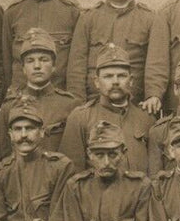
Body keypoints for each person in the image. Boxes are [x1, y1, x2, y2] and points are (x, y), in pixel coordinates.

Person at [67, 0, 154, 102]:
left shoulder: (149, 19)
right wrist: (79, 105)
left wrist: (152, 96)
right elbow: (76, 67)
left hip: (134, 105)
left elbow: (154, 65)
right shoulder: (88, 18)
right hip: (93, 104)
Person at [59, 43, 154, 173]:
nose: (115, 81)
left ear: (131, 80)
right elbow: (73, 174)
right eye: (108, 76)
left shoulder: (145, 118)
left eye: (121, 76)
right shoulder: (80, 118)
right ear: (97, 82)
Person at [0, 28, 80, 156]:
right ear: (24, 69)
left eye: (44, 59)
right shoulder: (9, 106)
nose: (37, 66)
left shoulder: (70, 105)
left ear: (54, 66)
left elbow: (74, 154)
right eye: (30, 61)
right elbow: (4, 154)